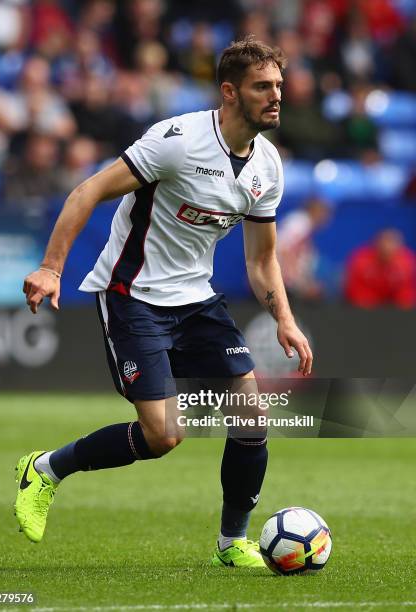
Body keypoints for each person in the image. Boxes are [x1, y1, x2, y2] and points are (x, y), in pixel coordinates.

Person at [17, 36, 313, 568]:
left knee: (251, 419)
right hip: (133, 295)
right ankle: (46, 469)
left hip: (196, 300)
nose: (276, 96)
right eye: (262, 87)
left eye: (279, 86)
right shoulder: (177, 140)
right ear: (229, 92)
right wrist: (51, 268)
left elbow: (262, 259)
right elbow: (86, 192)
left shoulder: (268, 166)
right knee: (164, 436)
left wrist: (286, 321)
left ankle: (232, 542)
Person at [344, 229, 416, 308]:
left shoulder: (408, 261)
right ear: (375, 244)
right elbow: (358, 294)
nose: (387, 247)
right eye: (385, 242)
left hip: (396, 308)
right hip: (366, 308)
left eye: (392, 242)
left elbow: (407, 295)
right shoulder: (360, 259)